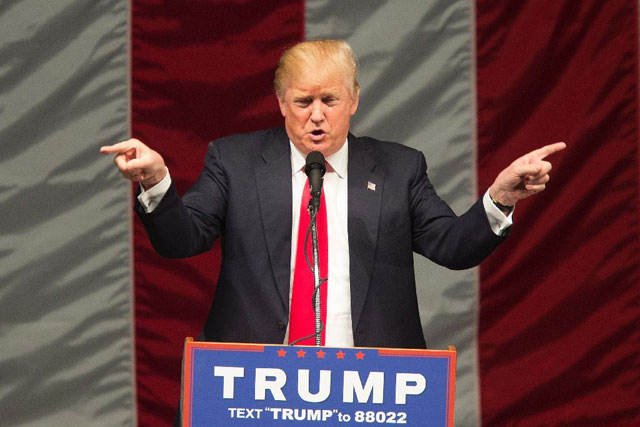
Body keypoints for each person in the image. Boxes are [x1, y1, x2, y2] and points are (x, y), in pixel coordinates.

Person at [101, 39, 565, 350]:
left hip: (373, 386)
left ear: (355, 101)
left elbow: (453, 246)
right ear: (282, 103)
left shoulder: (399, 168)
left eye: (331, 101)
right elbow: (183, 239)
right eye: (303, 102)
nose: (316, 116)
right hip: (257, 381)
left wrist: (499, 198)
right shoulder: (234, 161)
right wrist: (156, 180)